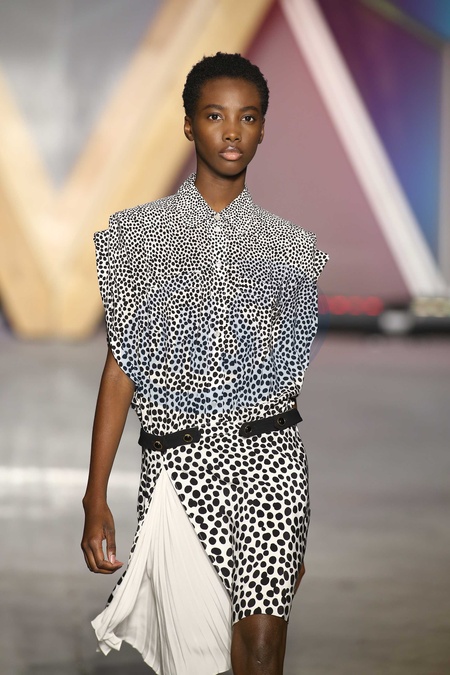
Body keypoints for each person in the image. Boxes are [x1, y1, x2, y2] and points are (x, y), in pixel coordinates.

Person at [81, 51, 329, 675]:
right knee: (197, 659)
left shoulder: (291, 249)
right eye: (216, 116)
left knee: (263, 647)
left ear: (263, 128)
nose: (232, 131)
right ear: (189, 124)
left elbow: (287, 382)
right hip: (179, 465)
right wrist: (95, 496)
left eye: (248, 117)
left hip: (271, 466)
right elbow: (121, 369)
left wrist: (295, 525)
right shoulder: (138, 237)